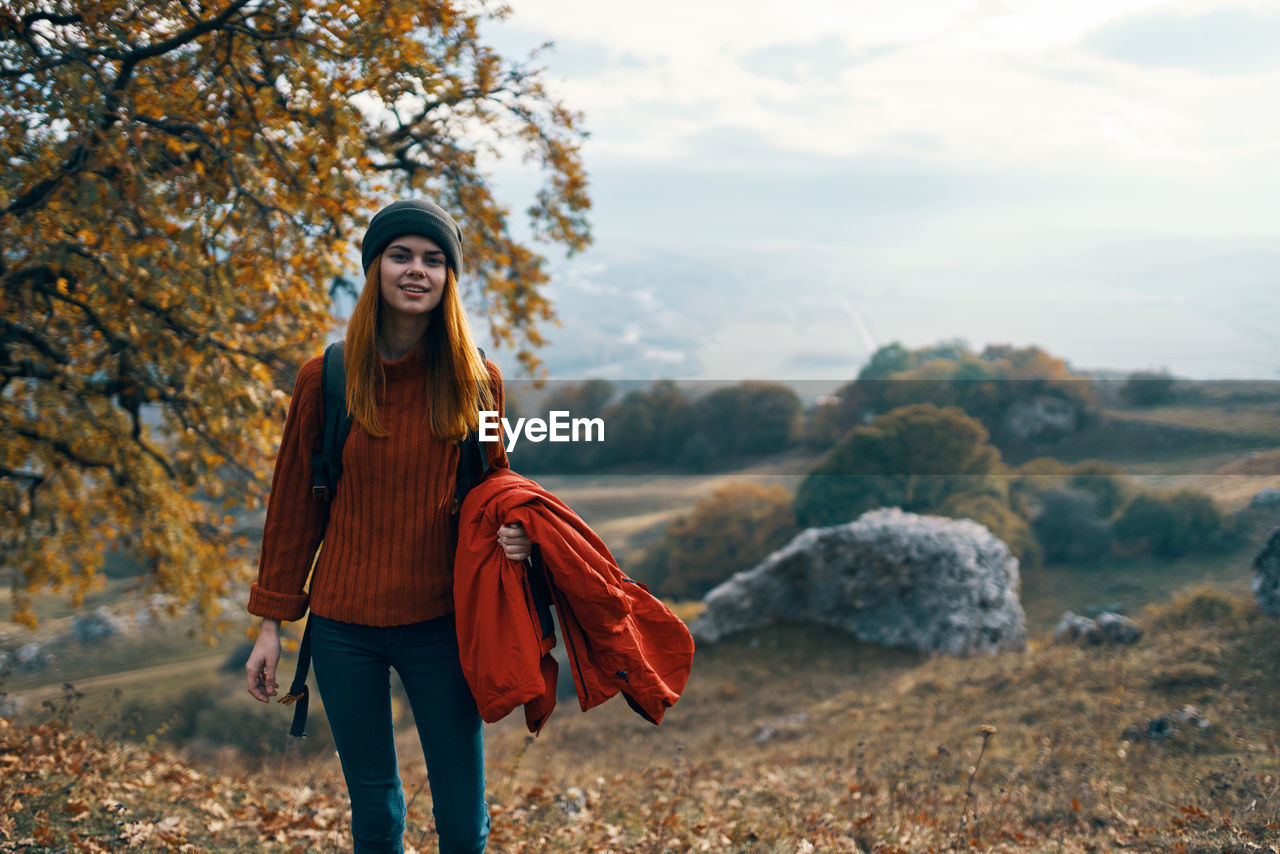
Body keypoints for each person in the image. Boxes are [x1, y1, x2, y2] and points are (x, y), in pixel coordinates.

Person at [243, 199, 530, 854]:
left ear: (449, 279)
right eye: (401, 255)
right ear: (375, 268)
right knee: (376, 815)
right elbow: (293, 507)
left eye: (433, 260)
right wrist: (270, 627)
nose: (417, 270)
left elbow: (496, 487)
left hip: (440, 626)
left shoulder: (476, 381)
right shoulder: (329, 378)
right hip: (345, 631)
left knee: (463, 822)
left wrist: (515, 536)